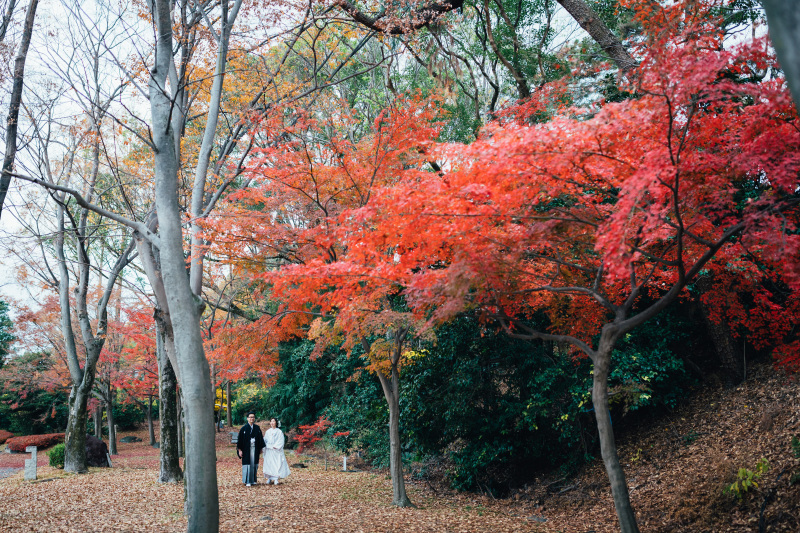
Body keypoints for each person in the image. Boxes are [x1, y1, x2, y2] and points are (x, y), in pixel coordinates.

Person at [237, 412, 265, 486]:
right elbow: (239, 440)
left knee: (254, 464)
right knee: (247, 464)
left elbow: (260, 438)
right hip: (246, 449)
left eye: (253, 417)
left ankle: (253, 480)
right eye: (250, 417)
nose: (252, 418)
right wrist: (239, 450)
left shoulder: (257, 428)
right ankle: (247, 481)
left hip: (255, 449)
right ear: (247, 418)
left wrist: (261, 448)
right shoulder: (243, 429)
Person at [262, 417, 290, 485]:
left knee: (276, 464)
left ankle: (276, 478)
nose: (272, 423)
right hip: (268, 449)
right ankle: (269, 478)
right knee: (269, 464)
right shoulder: (268, 431)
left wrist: (275, 446)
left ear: (276, 423)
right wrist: (264, 446)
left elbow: (281, 441)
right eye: (271, 421)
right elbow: (265, 440)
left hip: (275, 450)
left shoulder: (279, 431)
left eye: (273, 421)